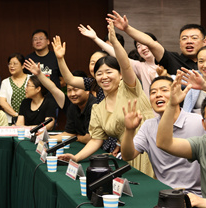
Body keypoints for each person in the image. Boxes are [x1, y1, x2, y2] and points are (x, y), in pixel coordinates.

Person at [54, 23, 154, 173]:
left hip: (150, 152)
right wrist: (76, 157)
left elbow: (126, 65)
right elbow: (96, 140)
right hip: (127, 157)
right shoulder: (98, 108)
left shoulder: (129, 88)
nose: (104, 77)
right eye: (99, 73)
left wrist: (114, 42)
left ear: (120, 75)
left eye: (109, 72)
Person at [120, 76, 203, 194]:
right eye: (153, 92)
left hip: (197, 194)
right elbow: (127, 155)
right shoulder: (149, 126)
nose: (158, 95)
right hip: (164, 193)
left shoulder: (199, 122)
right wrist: (129, 130)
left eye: (164, 90)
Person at [109, 10, 204, 75]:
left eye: (194, 38)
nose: (189, 41)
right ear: (180, 43)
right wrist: (127, 28)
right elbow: (151, 43)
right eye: (184, 38)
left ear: (204, 42)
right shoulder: (172, 59)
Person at [78, 23, 159, 93]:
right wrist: (95, 38)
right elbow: (118, 55)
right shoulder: (140, 66)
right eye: (138, 46)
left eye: (145, 44)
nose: (143, 48)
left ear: (156, 43)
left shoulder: (166, 61)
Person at [17, 61, 58, 133]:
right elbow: (19, 124)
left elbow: (49, 125)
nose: (25, 88)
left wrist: (27, 128)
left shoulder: (49, 103)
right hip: (26, 135)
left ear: (38, 89)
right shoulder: (25, 102)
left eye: (28, 85)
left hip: (43, 136)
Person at [56, 70, 96, 145]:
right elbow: (69, 133)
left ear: (87, 90)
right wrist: (49, 138)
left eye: (76, 90)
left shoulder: (94, 106)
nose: (72, 94)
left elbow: (89, 138)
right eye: (69, 90)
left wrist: (76, 137)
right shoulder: (73, 106)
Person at [0, 54, 29, 123]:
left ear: (23, 66)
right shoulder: (5, 82)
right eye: (10, 64)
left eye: (15, 64)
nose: (11, 66)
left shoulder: (31, 79)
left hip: (30, 119)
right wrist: (16, 115)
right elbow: (2, 102)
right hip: (11, 120)